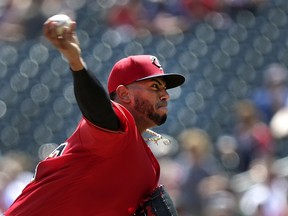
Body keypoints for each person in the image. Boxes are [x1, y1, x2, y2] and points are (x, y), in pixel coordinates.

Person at [4, 15, 185, 216]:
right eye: (155, 86)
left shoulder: (149, 166)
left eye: (165, 89)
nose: (165, 95)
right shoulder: (113, 131)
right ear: (124, 93)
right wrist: (76, 63)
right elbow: (99, 109)